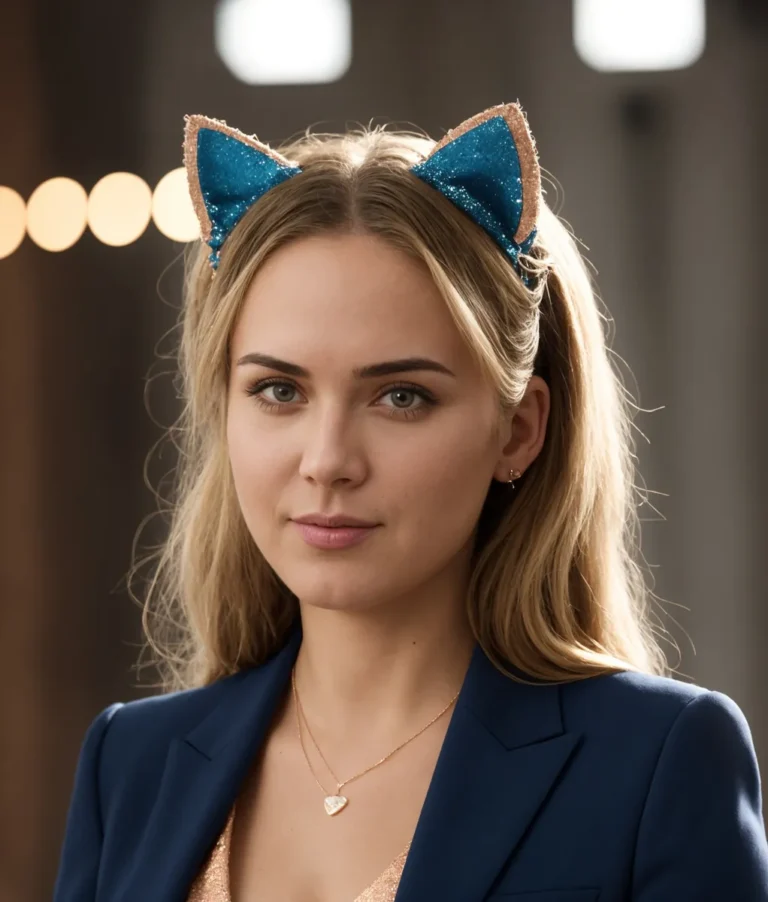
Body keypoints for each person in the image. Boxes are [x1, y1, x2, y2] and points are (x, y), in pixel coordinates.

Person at [53, 103, 768, 902]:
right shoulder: (131, 765)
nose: (327, 462)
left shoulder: (656, 764)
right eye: (279, 390)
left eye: (400, 396)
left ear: (518, 431)